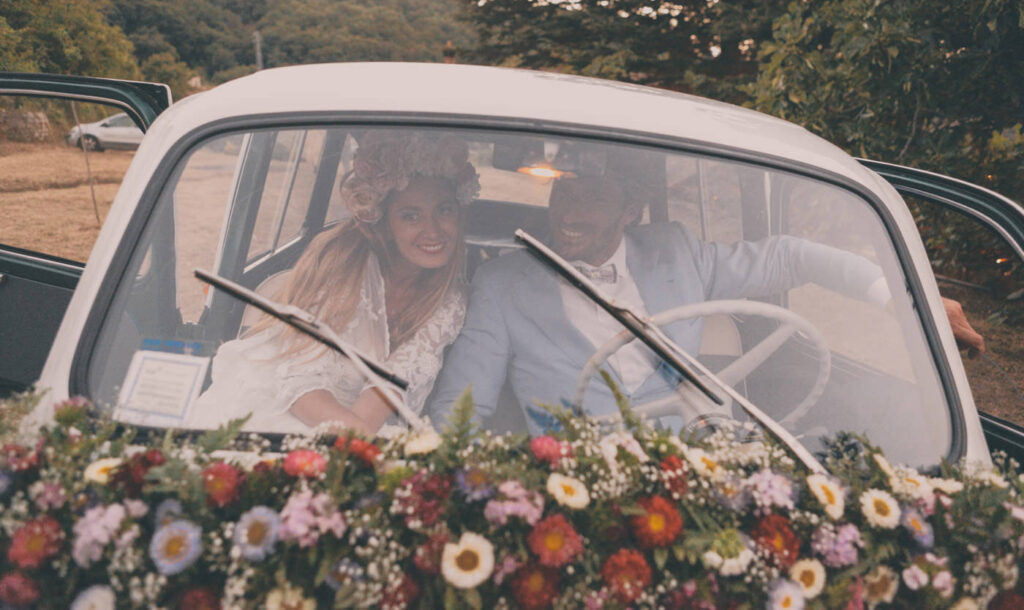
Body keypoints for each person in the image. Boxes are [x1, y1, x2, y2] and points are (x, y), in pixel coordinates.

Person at [428, 146, 984, 434]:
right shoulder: (502, 285)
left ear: (629, 211)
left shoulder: (675, 252)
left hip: (705, 462)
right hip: (577, 488)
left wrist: (906, 296)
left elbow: (791, 255)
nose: (570, 214)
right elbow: (461, 409)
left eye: (592, 199)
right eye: (565, 195)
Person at [191, 130, 479, 435]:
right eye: (411, 216)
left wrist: (356, 445)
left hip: (356, 430)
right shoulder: (341, 259)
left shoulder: (449, 298)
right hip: (273, 410)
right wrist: (357, 442)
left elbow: (384, 396)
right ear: (383, 221)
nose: (433, 231)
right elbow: (298, 382)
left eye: (444, 210)